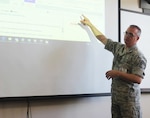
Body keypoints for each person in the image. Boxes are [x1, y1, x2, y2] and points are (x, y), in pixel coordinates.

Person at [80, 15, 147, 118]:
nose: (127, 36)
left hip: (129, 102)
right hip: (116, 99)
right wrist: (90, 24)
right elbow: (102, 39)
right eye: (126, 33)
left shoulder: (138, 56)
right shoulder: (118, 47)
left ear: (137, 38)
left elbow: (138, 79)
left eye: (131, 34)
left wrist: (118, 73)